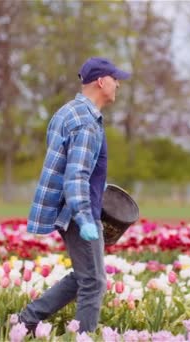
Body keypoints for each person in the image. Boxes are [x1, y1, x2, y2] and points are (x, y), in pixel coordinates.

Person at [19, 57, 131, 334]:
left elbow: (71, 166)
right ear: (101, 82)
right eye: (115, 79)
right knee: (94, 282)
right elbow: (75, 175)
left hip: (74, 206)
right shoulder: (86, 122)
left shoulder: (69, 112)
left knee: (86, 276)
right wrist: (85, 217)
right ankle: (81, 337)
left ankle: (27, 321)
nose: (118, 84)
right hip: (79, 212)